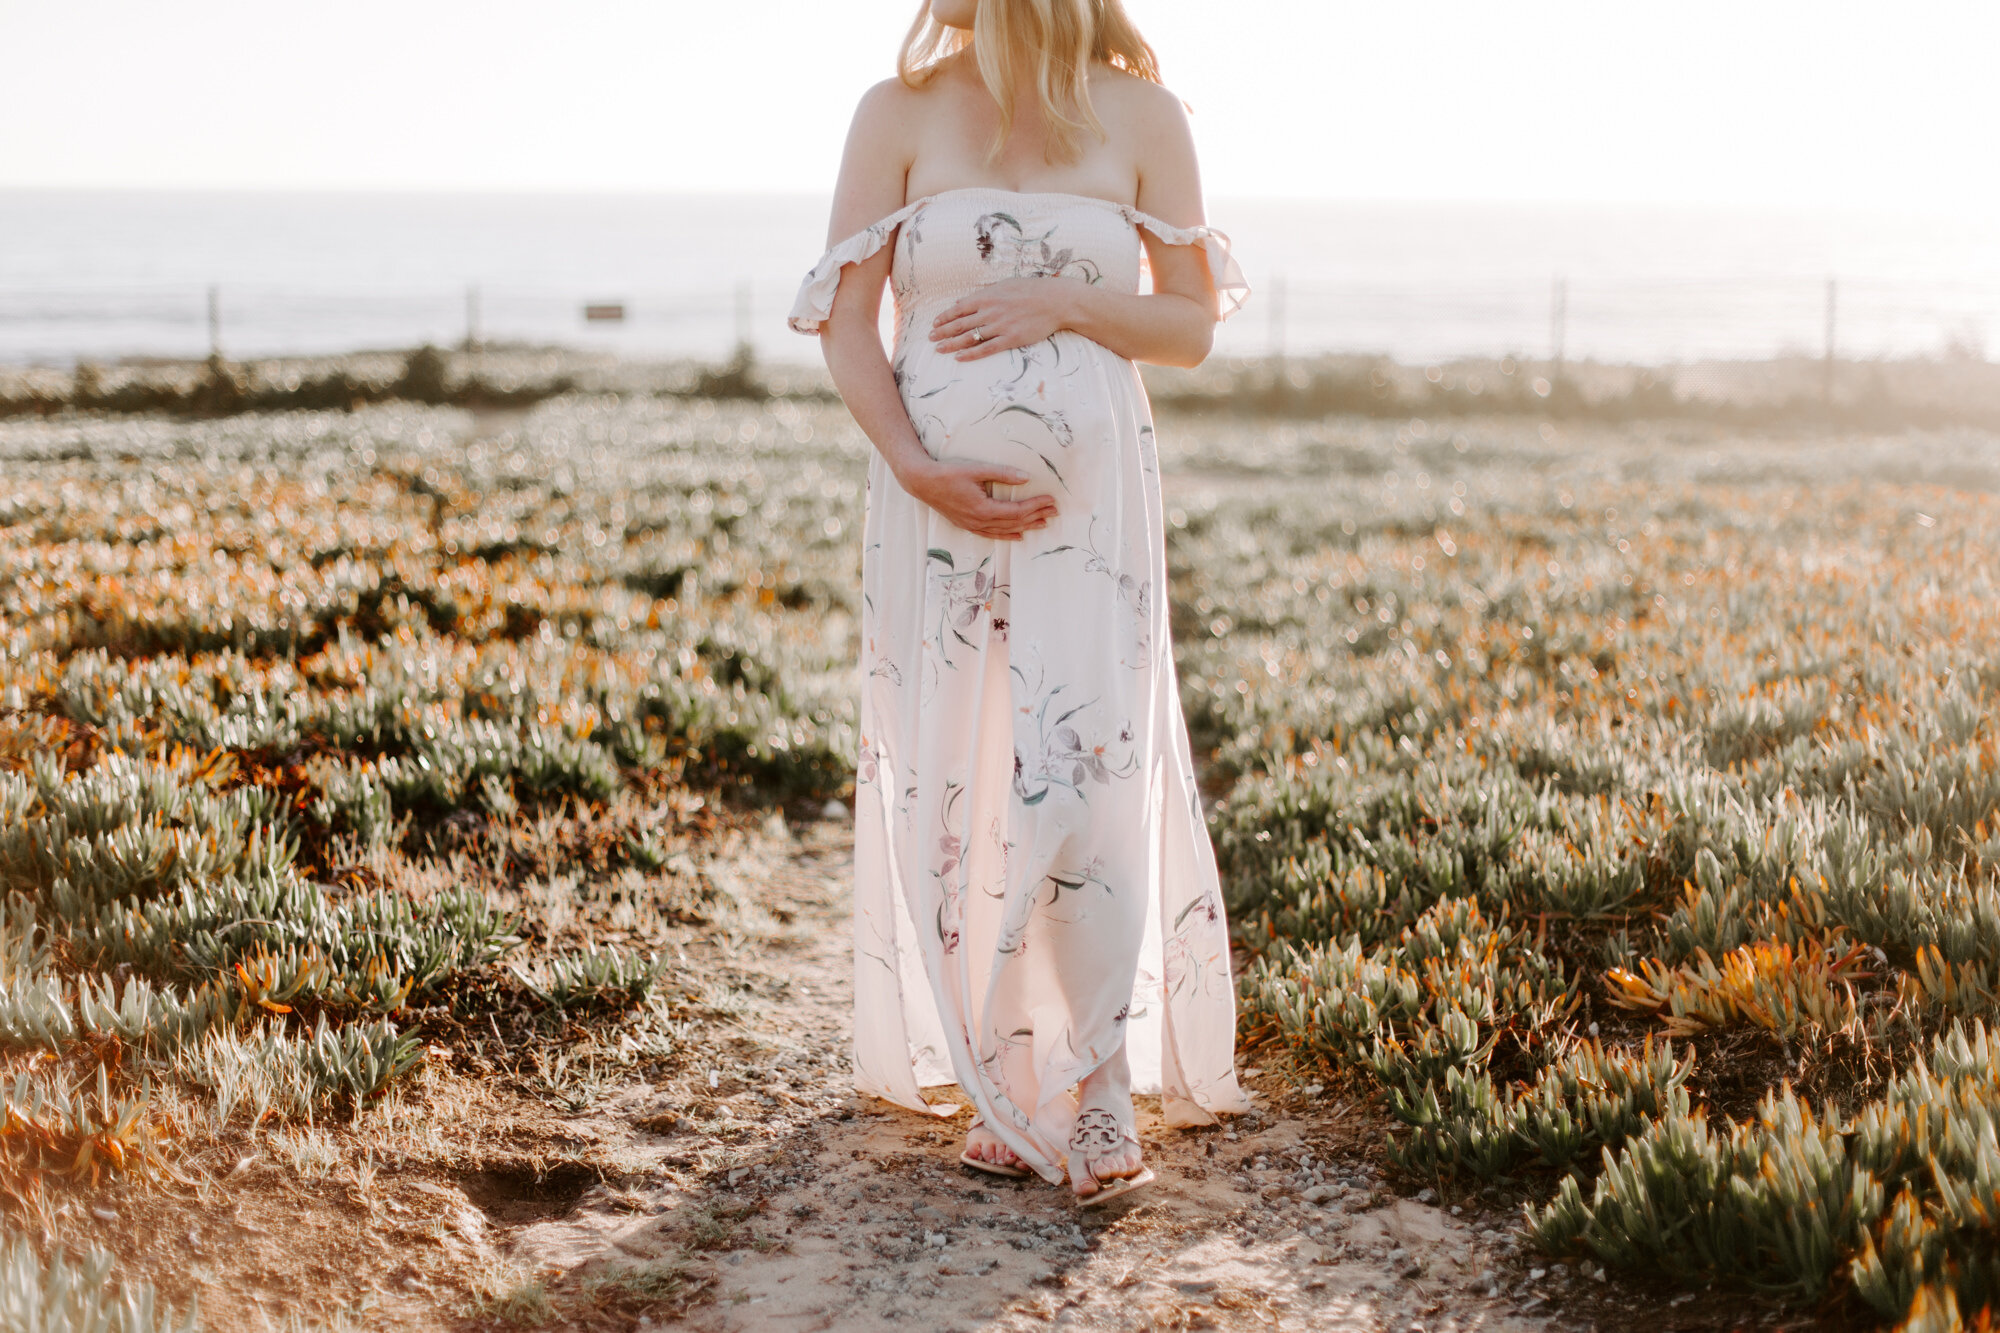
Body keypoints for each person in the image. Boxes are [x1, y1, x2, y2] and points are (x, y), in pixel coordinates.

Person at [788, 0, 1250, 1205]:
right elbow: (846, 320)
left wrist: (1062, 304)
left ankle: (1096, 1088)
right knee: (968, 771)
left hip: (1088, 516)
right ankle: (1010, 1076)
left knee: (1084, 763)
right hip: (930, 511)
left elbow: (1191, 325)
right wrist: (909, 459)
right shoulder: (894, 112)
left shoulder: (1143, 114)